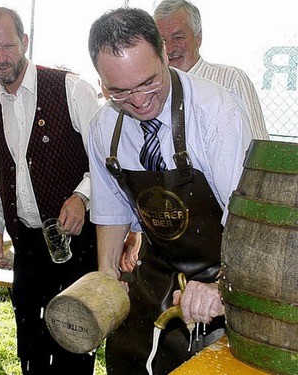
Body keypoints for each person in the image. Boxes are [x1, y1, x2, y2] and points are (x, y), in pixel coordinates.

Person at [87, 7, 252, 374]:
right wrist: (106, 279)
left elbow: (246, 225)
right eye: (119, 91)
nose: (139, 101)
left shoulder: (216, 114)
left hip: (224, 278)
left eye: (148, 82)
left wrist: (221, 287)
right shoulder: (103, 127)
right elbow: (112, 211)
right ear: (101, 83)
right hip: (155, 275)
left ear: (164, 53)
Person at [0, 7, 100, 375]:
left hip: (78, 240)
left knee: (74, 339)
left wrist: (82, 196)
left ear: (25, 42)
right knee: (30, 338)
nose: (1, 58)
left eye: (8, 46)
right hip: (26, 243)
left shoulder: (70, 88)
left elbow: (107, 160)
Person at [154, 0, 269, 140]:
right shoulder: (150, 89)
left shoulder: (230, 80)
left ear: (198, 38)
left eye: (178, 38)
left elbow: (257, 146)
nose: (170, 48)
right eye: (162, 40)